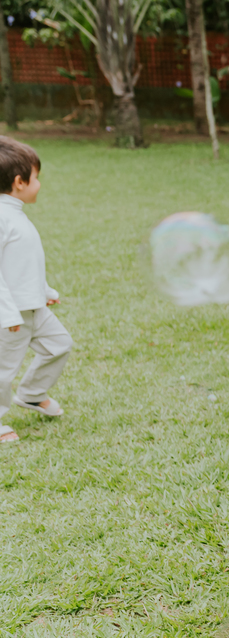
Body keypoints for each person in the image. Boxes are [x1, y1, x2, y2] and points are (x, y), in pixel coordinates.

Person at [0, 137, 72, 444]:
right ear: (19, 182)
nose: (38, 184)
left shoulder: (15, 214)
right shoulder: (4, 218)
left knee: (60, 344)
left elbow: (24, 263)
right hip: (11, 315)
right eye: (36, 177)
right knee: (3, 370)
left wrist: (44, 291)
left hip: (33, 308)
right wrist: (7, 312)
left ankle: (31, 393)